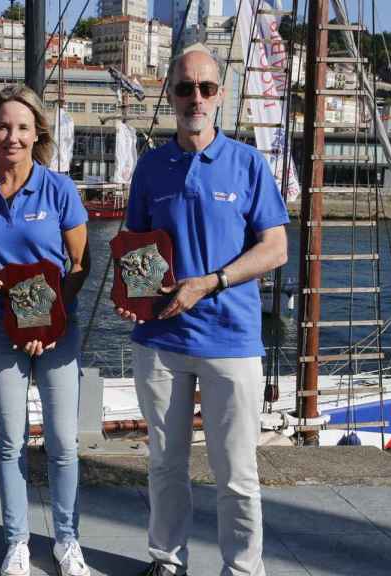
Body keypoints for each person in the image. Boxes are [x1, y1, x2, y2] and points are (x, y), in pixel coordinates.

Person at [116, 45, 289, 576]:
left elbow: (276, 248)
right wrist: (132, 296)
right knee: (165, 465)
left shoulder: (248, 163)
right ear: (170, 94)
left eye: (206, 88)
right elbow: (135, 246)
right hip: (160, 340)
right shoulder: (151, 166)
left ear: (220, 95)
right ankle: (167, 561)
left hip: (231, 340)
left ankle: (243, 570)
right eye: (186, 87)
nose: (196, 97)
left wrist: (212, 282)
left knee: (237, 472)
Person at [0, 85, 91, 576]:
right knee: (10, 442)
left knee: (63, 443)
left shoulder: (59, 190)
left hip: (57, 329)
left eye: (22, 127)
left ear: (37, 134)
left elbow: (80, 265)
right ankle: (17, 541)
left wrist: (47, 321)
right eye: (4, 127)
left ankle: (68, 540)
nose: (12, 136)